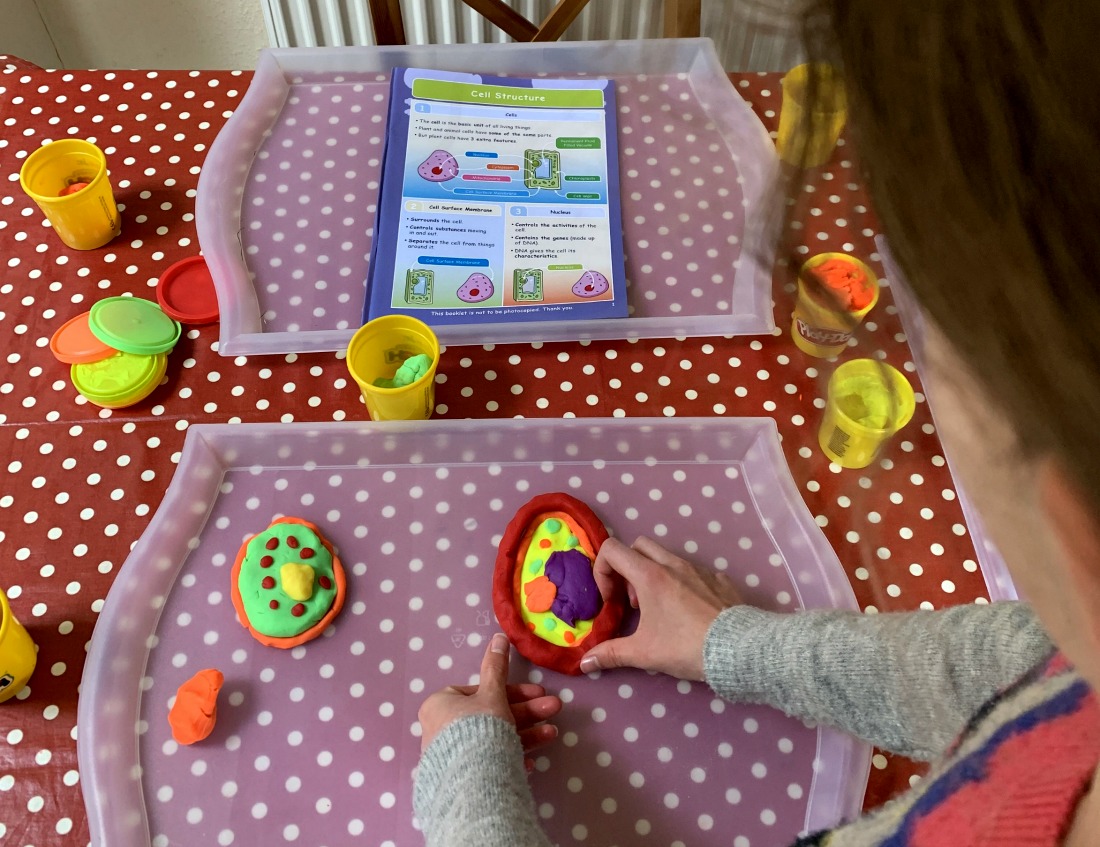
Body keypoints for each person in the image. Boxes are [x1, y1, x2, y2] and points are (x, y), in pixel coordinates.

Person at [413, 2, 1100, 844]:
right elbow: (1013, 667)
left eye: (928, 335)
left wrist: (469, 793)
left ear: (1074, 525)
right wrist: (735, 645)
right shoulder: (1073, 666)